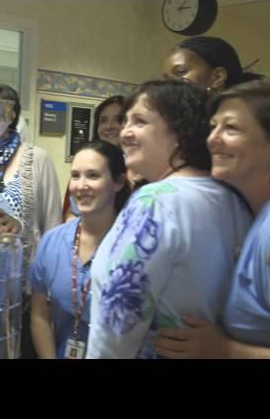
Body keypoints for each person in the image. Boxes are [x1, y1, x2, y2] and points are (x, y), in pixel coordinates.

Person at [85, 79, 252, 359]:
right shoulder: (233, 198)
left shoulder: (155, 202)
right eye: (125, 121)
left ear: (181, 130)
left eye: (139, 121)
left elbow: (117, 322)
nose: (125, 132)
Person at [154, 80, 270, 358]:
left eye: (231, 128)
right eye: (213, 126)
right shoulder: (251, 216)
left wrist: (225, 349)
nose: (212, 139)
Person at [0, 83, 61, 358]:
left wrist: (47, 288)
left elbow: (52, 226)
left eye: (1, 111)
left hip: (24, 293)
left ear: (13, 115)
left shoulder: (36, 158)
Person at [30, 141, 130, 359]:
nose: (81, 185)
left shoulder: (133, 245)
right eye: (75, 176)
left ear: (118, 182)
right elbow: (40, 315)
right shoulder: (53, 242)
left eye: (93, 176)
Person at [63, 95, 125, 221]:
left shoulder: (140, 171)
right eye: (103, 120)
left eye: (118, 119)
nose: (109, 126)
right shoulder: (83, 166)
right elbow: (70, 213)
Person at [162, 36, 265, 96]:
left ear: (218, 76)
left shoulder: (249, 118)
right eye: (166, 78)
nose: (169, 84)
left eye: (181, 72)